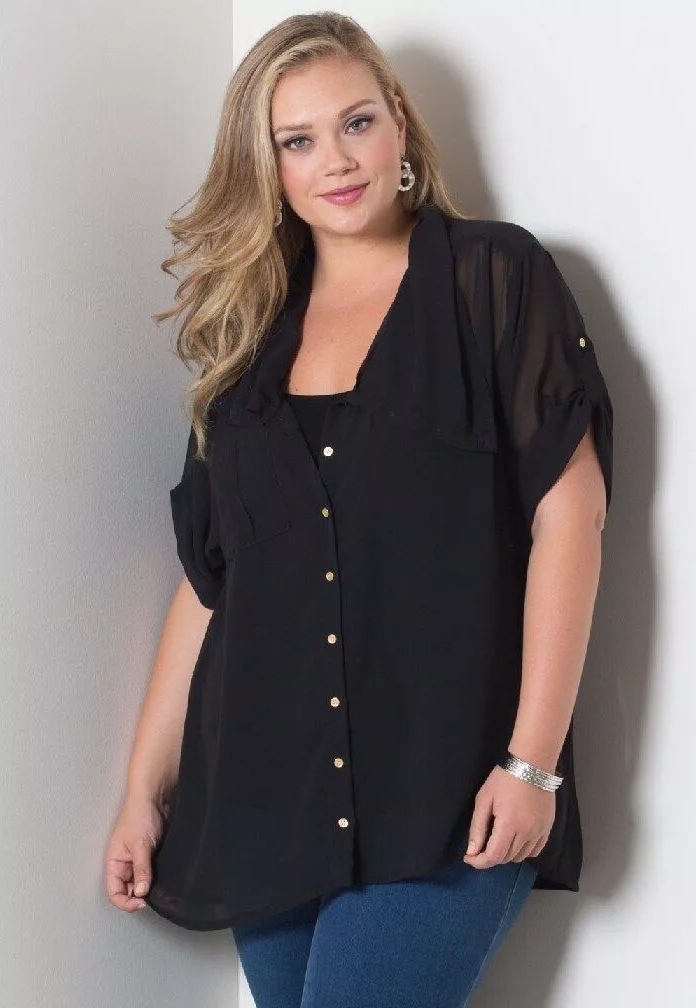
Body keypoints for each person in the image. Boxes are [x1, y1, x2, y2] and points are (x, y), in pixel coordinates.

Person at [104, 12, 614, 1007]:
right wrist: (143, 792)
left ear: (400, 127)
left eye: (356, 122)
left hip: (446, 788)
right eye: (296, 140)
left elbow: (571, 519)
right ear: (266, 167)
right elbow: (210, 587)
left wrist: (532, 765)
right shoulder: (248, 342)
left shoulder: (491, 279)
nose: (334, 161)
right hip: (265, 799)